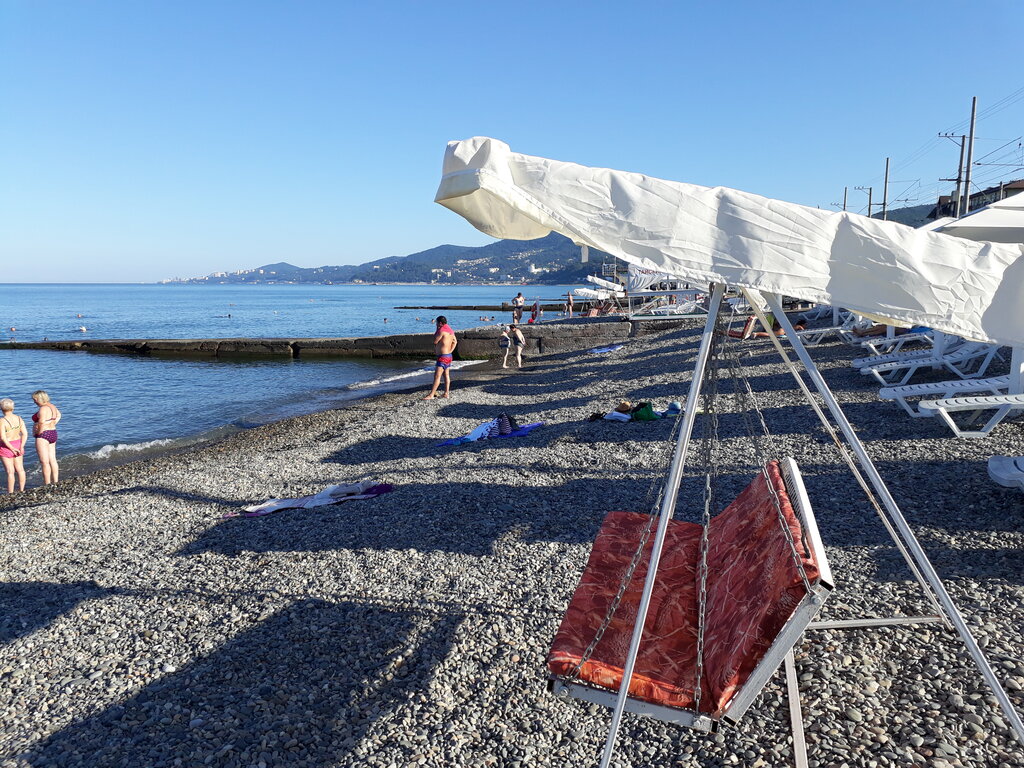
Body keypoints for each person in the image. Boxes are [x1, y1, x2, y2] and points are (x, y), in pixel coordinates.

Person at [423, 316, 457, 400]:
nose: (436, 324)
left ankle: (431, 395)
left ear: (440, 323)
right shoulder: (451, 331)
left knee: (437, 376)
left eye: (437, 323)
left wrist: (437, 329)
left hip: (442, 357)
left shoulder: (441, 331)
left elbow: (435, 340)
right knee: (446, 375)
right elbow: (455, 342)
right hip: (448, 356)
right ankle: (446, 393)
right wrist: (450, 351)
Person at [32, 390, 60, 485]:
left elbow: (41, 422)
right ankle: (56, 481)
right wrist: (52, 423)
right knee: (53, 459)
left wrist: (38, 432)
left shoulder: (43, 409)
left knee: (44, 462)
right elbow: (59, 415)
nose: (34, 402)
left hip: (43, 435)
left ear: (39, 398)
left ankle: (47, 483)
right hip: (53, 433)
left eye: (35, 399)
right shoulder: (52, 406)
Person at [0, 398, 27, 493]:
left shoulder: (2, 421)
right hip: (18, 444)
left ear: (1, 409)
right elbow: (24, 434)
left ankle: (10, 492)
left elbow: (3, 438)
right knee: (20, 469)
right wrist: (21, 446)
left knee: (10, 472)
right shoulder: (19, 418)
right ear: (13, 408)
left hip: (6, 447)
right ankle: (22, 490)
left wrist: (11, 448)